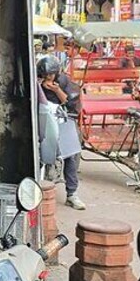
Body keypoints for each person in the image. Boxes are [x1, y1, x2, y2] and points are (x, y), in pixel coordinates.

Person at [37, 56, 85, 210]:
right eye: (45, 75)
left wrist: (57, 90)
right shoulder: (36, 84)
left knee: (71, 156)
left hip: (63, 121)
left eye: (50, 74)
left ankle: (72, 193)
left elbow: (70, 102)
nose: (48, 78)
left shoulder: (64, 83)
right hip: (43, 121)